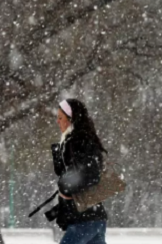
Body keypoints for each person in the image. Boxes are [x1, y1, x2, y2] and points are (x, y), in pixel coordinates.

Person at [49, 98, 108, 244]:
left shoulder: (79, 140)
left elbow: (90, 174)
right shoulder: (76, 140)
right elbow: (67, 172)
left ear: (71, 118)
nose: (57, 121)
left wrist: (65, 187)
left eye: (60, 118)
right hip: (92, 217)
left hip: (84, 218)